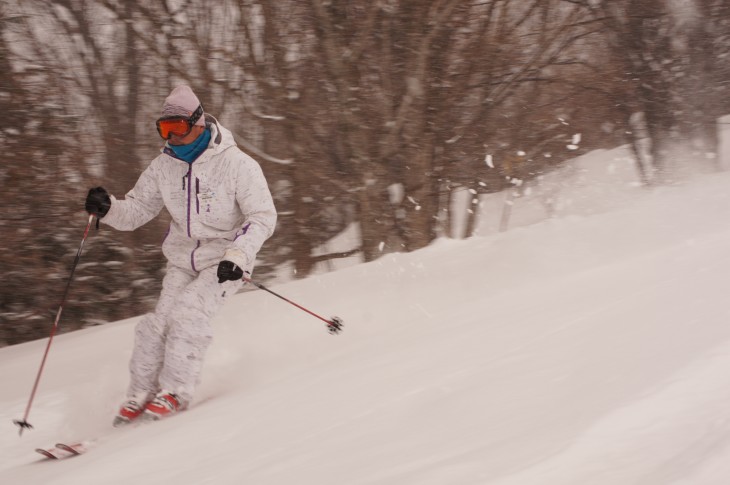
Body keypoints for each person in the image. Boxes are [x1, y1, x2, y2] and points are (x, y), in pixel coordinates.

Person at [85, 85, 277, 425]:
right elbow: (138, 210)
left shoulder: (237, 165)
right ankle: (140, 395)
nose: (171, 136)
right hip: (181, 260)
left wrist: (238, 254)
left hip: (224, 263)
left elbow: (262, 216)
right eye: (164, 129)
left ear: (198, 123)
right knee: (155, 325)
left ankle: (176, 391)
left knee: (188, 316)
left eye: (178, 128)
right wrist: (109, 208)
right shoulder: (163, 166)